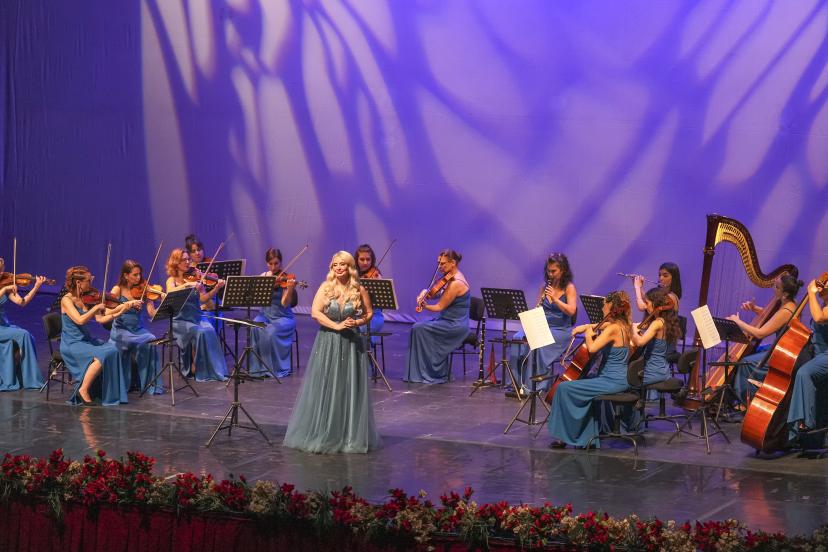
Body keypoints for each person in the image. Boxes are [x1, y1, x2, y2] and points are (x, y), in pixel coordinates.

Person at [283, 251, 381, 453]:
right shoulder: (325, 287)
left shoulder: (359, 289)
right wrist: (336, 326)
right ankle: (326, 431)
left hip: (351, 343)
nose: (338, 268)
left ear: (349, 267)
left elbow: (369, 312)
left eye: (342, 264)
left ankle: (348, 435)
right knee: (328, 385)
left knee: (348, 386)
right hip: (328, 341)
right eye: (335, 264)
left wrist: (358, 322)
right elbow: (315, 312)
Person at [548, 291, 632, 449]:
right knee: (580, 386)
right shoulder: (622, 326)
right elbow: (599, 325)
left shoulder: (613, 329)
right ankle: (587, 438)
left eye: (604, 306)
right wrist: (585, 327)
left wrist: (587, 334)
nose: (602, 309)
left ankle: (565, 437)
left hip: (611, 381)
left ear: (611, 307)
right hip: (616, 379)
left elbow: (592, 348)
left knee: (563, 388)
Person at [60, 266, 139, 405]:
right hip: (72, 343)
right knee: (103, 354)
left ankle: (104, 391)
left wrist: (124, 308)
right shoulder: (67, 300)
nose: (91, 283)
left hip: (85, 340)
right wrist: (96, 307)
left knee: (113, 349)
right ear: (78, 282)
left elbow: (102, 318)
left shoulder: (87, 297)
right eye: (88, 281)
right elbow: (80, 320)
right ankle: (83, 389)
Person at [726, 272, 802, 404]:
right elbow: (774, 318)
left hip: (783, 355)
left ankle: (745, 402)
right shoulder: (790, 303)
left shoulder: (786, 311)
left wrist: (738, 322)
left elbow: (760, 333)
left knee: (745, 362)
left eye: (777, 287)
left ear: (785, 294)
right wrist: (754, 308)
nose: (773, 288)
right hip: (780, 347)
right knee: (755, 350)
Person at [508, 253, 576, 395]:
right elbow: (538, 310)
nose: (550, 274)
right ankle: (516, 383)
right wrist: (530, 316)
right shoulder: (544, 288)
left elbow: (571, 311)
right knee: (517, 338)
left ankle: (535, 387)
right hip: (542, 326)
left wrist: (555, 300)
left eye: (554, 271)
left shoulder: (569, 288)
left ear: (563, 270)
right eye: (548, 271)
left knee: (539, 343)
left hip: (560, 330)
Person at [404, 249, 470, 384]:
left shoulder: (456, 283)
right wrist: (424, 293)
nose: (439, 266)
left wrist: (424, 305)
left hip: (455, 325)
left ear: (453, 263)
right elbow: (437, 294)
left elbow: (439, 307)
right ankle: (424, 371)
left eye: (443, 263)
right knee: (418, 328)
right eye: (438, 263)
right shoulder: (449, 277)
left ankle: (431, 372)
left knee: (418, 328)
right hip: (446, 321)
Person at [165, 248, 227, 381]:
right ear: (176, 262)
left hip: (197, 315)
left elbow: (203, 299)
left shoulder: (195, 277)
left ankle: (212, 369)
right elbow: (171, 292)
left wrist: (216, 288)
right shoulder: (171, 280)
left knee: (210, 330)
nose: (188, 262)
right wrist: (188, 285)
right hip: (181, 320)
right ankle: (197, 367)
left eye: (188, 259)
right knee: (201, 332)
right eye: (184, 260)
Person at [109, 260, 164, 394]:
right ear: (126, 275)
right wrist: (127, 305)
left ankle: (150, 384)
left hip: (137, 329)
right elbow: (108, 311)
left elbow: (152, 313)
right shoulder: (117, 290)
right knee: (147, 339)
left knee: (151, 339)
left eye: (139, 274)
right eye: (135, 275)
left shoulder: (143, 289)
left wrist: (164, 302)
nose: (139, 278)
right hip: (121, 330)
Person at [787, 274, 828, 440]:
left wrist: (811, 293)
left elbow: (819, 318)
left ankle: (806, 424)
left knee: (804, 373)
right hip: (818, 353)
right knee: (789, 366)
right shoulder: (823, 304)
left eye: (824, 288)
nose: (821, 290)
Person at [249, 248, 297, 378]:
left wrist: (290, 289)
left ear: (281, 262)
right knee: (254, 327)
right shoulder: (264, 276)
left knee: (269, 332)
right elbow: (256, 298)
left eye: (276, 263)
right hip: (265, 315)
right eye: (271, 264)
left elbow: (284, 303)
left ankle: (269, 369)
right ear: (267, 263)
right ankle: (256, 368)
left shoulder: (286, 278)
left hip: (283, 317)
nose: (274, 267)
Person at [0, 258, 46, 391]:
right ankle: (32, 380)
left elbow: (22, 302)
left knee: (29, 336)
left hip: (3, 325)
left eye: (2, 270)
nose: (1, 274)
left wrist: (36, 286)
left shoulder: (5, 284)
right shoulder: (5, 287)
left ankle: (26, 377)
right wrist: (5, 289)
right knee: (23, 335)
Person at [355, 244, 384, 341]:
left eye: (368, 259)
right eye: (362, 259)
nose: (365, 262)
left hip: (374, 315)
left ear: (372, 260)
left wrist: (378, 285)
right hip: (355, 314)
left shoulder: (376, 275)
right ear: (356, 260)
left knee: (359, 329)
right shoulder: (352, 275)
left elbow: (381, 300)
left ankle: (364, 349)